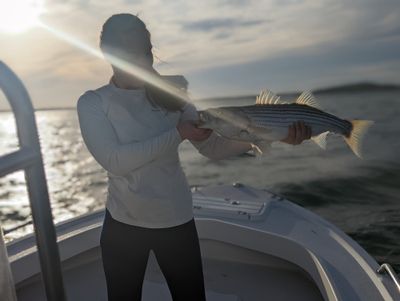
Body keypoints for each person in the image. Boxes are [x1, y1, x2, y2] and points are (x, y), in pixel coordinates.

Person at [76, 13, 311, 301]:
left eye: (146, 50)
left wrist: (272, 136)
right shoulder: (93, 102)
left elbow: (213, 147)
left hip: (176, 221)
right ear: (108, 53)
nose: (142, 58)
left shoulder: (172, 96)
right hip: (123, 226)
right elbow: (114, 161)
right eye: (131, 51)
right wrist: (178, 133)